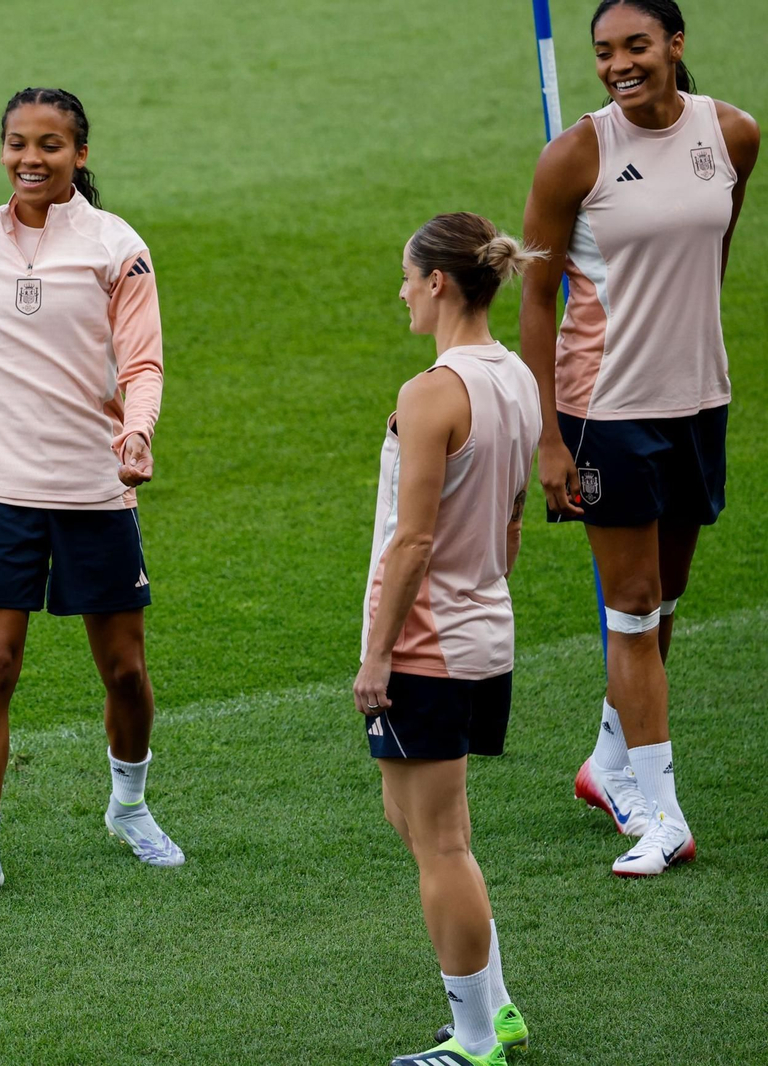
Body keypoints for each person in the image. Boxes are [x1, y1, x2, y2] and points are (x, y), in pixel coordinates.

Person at [0, 87, 177, 905]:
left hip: (95, 484)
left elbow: (142, 363)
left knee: (123, 668)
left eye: (50, 145)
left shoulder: (117, 247)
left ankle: (129, 807)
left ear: (80, 155)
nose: (29, 160)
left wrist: (139, 432)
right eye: (16, 144)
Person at [519, 0, 757, 876]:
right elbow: (538, 300)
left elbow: (712, 252)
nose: (620, 63)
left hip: (698, 401)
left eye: (637, 46)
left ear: (676, 45)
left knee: (667, 604)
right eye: (604, 51)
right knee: (632, 608)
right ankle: (662, 814)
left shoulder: (732, 135)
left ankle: (608, 763)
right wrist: (548, 437)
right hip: (604, 411)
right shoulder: (575, 153)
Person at [355, 213, 541, 1066]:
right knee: (417, 821)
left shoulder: (431, 391)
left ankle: (474, 1042)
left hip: (426, 646)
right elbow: (507, 528)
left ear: (438, 282)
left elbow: (415, 540)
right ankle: (493, 1008)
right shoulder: (518, 379)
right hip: (484, 630)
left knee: (440, 843)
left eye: (406, 276)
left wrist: (377, 655)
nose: (400, 291)